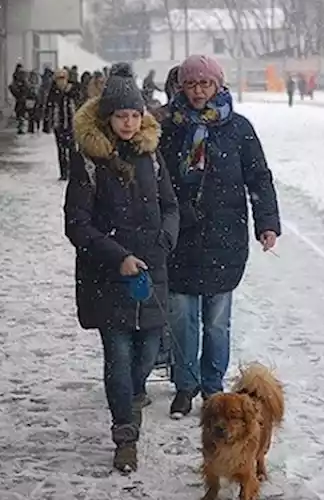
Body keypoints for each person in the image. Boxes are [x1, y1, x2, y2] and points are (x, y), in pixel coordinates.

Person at [64, 65, 178, 474]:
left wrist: (165, 239)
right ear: (107, 117)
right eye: (120, 116)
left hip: (152, 271)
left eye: (134, 115)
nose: (128, 123)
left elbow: (170, 206)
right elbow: (76, 224)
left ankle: (130, 402)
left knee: (146, 354)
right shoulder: (90, 162)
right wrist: (118, 256)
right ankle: (125, 434)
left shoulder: (152, 155)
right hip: (108, 275)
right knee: (118, 356)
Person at [160, 54, 280, 419]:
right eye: (191, 84)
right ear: (181, 86)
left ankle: (212, 386)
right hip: (180, 236)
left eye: (205, 84)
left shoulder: (238, 128)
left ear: (218, 85)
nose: (198, 92)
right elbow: (155, 181)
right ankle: (185, 384)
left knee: (216, 319)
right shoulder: (166, 127)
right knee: (182, 317)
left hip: (224, 237)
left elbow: (258, 177)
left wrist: (267, 222)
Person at [43, 69, 81, 180]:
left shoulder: (73, 89)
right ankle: (64, 173)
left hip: (71, 124)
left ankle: (73, 172)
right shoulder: (53, 91)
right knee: (61, 150)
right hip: (58, 124)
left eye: (63, 78)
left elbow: (79, 103)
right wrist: (47, 123)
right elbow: (48, 107)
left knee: (72, 150)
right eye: (58, 78)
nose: (61, 81)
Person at [9, 63, 31, 135]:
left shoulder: (18, 76)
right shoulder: (22, 77)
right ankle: (22, 127)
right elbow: (26, 86)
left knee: (20, 113)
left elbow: (25, 86)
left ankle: (21, 127)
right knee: (21, 113)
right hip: (21, 98)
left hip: (20, 98)